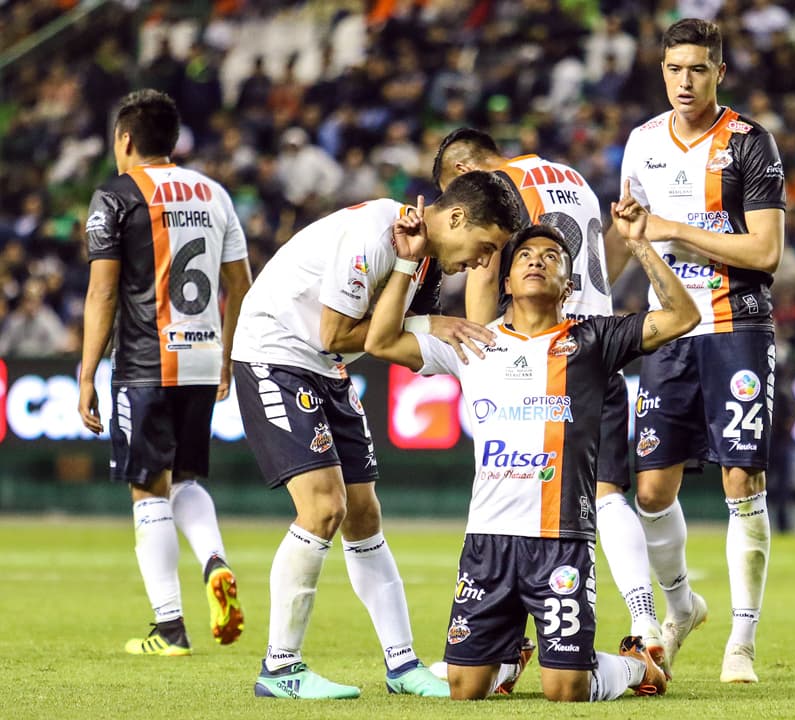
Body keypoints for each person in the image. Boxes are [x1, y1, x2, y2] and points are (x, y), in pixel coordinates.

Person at [363, 203, 696, 702]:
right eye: (524, 256)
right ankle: (509, 654)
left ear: (568, 285)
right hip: (488, 542)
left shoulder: (594, 339)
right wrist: (409, 263)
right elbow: (380, 340)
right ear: (507, 281)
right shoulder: (473, 342)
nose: (537, 260)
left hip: (560, 540)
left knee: (565, 690)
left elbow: (683, 316)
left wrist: (639, 244)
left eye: (551, 256)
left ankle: (635, 667)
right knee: (464, 689)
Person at [231, 172, 523, 699]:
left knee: (363, 513)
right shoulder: (376, 232)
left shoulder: (421, 258)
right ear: (457, 218)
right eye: (486, 247)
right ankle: (280, 667)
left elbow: (389, 336)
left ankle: (403, 666)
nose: (484, 262)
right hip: (275, 351)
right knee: (324, 508)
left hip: (327, 366)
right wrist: (429, 322)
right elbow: (336, 332)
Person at [432, 127, 664, 663]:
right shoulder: (571, 177)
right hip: (594, 344)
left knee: (511, 491)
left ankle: (507, 645)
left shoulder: (497, 189)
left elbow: (487, 271)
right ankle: (645, 623)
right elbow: (603, 262)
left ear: (465, 173)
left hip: (537, 353)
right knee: (606, 493)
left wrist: (484, 356)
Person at [613, 17, 787, 683]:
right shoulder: (642, 142)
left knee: (742, 480)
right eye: (674, 69)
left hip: (737, 324)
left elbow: (765, 251)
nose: (684, 81)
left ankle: (742, 641)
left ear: (720, 72)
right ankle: (683, 606)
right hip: (668, 329)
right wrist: (594, 288)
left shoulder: (749, 143)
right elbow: (632, 232)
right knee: (651, 490)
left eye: (697, 69)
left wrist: (674, 229)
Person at [77, 89, 252, 656]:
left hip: (146, 361)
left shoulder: (116, 196)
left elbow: (103, 291)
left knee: (147, 489)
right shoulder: (214, 193)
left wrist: (86, 373)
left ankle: (169, 628)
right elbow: (240, 286)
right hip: (201, 357)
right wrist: (227, 356)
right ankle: (214, 561)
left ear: (125, 139)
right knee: (185, 480)